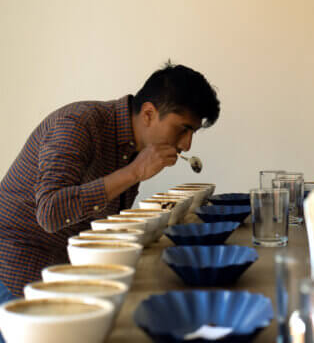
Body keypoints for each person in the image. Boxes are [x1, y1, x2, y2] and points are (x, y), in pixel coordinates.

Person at [0, 62, 220, 299]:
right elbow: (50, 212)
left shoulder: (136, 147)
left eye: (192, 133)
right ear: (148, 114)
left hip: (64, 269)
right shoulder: (77, 124)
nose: (186, 144)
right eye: (182, 129)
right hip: (13, 271)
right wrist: (133, 172)